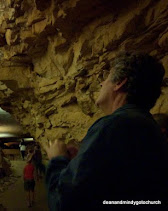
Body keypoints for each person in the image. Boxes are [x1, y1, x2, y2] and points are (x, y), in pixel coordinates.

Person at [43, 52, 168, 210]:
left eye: (106, 79)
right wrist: (82, 161)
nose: (102, 84)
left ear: (119, 83)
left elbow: (64, 202)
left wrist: (57, 159)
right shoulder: (149, 127)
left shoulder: (114, 125)